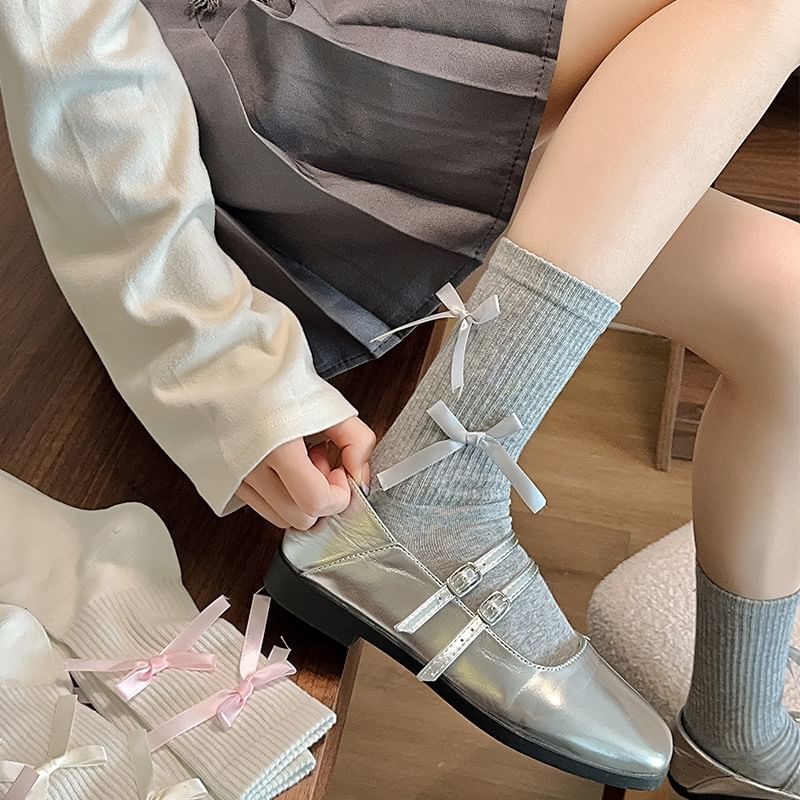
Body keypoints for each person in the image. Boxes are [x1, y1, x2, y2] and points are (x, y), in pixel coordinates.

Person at [1, 0, 798, 794]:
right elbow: (66, 42)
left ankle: (733, 739)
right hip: (238, 105)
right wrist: (217, 366)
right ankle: (445, 484)